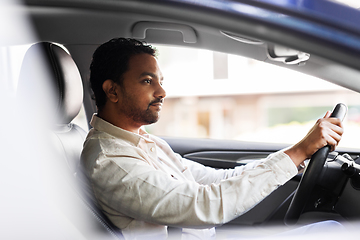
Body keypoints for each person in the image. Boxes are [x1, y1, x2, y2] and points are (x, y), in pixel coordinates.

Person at [80, 38, 344, 240]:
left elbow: (216, 181)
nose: (162, 91)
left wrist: (299, 152)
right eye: (147, 81)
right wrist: (298, 151)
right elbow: (205, 205)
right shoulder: (111, 160)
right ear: (112, 90)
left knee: (331, 229)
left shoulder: (143, 142)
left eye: (160, 81)